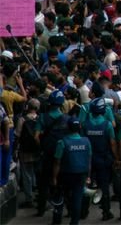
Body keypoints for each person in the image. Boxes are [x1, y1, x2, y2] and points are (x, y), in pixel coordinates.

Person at [51, 116, 91, 225]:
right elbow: (88, 160)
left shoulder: (62, 142)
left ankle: (57, 220)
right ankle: (74, 222)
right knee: (77, 198)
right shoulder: (86, 141)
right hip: (81, 174)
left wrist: (54, 177)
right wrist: (88, 176)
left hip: (65, 175)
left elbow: (57, 162)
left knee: (60, 196)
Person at [35, 90, 68, 218]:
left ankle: (41, 209)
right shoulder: (66, 119)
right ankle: (67, 209)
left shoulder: (43, 117)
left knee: (43, 183)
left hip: (47, 155)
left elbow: (36, 136)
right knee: (63, 183)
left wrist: (42, 147)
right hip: (62, 156)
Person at [81, 98, 115, 221]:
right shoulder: (108, 125)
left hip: (88, 160)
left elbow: (83, 141)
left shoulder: (85, 124)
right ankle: (106, 211)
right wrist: (116, 158)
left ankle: (83, 211)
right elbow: (112, 143)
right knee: (104, 185)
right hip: (103, 159)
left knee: (86, 184)